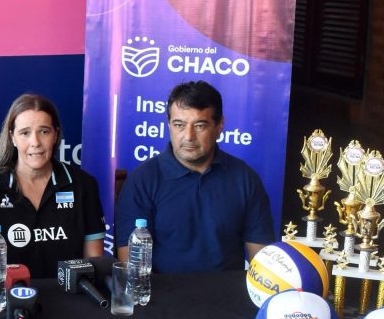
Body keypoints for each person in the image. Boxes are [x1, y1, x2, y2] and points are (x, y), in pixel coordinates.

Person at [115, 80, 276, 272]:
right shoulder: (141, 181)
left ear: (219, 126)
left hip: (228, 297)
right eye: (179, 125)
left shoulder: (245, 179)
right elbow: (132, 269)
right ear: (169, 125)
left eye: (199, 125)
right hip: (163, 297)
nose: (188, 136)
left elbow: (264, 260)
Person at [0, 94, 106, 279]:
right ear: (12, 137)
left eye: (44, 131)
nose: (35, 142)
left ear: (55, 135)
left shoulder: (83, 185)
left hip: (70, 297)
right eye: (25, 133)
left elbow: (93, 264)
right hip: (6, 299)